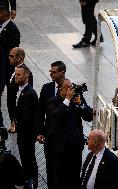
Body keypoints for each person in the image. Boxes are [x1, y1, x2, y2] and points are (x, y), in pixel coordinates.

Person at [47, 79, 93, 189]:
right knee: (60, 177)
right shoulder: (53, 101)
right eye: (67, 88)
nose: (70, 90)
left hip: (75, 146)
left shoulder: (76, 99)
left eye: (70, 87)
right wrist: (67, 100)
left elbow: (89, 117)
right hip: (60, 147)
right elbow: (57, 117)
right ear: (59, 90)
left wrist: (81, 104)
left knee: (74, 176)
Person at [36, 61, 66, 189]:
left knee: (63, 170)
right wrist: (39, 132)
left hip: (65, 138)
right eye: (50, 71)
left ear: (62, 72)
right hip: (50, 135)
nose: (51, 74)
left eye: (54, 72)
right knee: (50, 168)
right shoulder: (46, 88)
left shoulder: (71, 88)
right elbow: (40, 112)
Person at [8, 65, 38, 189]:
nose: (16, 76)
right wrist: (15, 121)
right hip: (23, 132)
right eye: (16, 74)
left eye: (19, 74)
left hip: (27, 133)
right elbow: (18, 111)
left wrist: (16, 127)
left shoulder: (29, 93)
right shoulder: (20, 90)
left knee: (28, 158)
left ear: (26, 76)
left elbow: (27, 117)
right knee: (25, 157)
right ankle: (28, 180)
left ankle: (32, 181)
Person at [0, 6, 20, 127]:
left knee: (11, 98)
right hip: (1, 68)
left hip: (9, 70)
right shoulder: (1, 26)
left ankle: (14, 121)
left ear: (3, 15)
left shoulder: (13, 29)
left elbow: (13, 50)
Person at [7, 47, 33, 123]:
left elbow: (26, 96)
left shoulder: (26, 73)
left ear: (19, 58)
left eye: (12, 56)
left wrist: (17, 119)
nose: (9, 58)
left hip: (19, 116)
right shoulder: (14, 69)